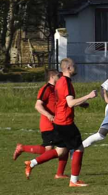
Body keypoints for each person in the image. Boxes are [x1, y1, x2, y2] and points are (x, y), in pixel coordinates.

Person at [24, 58, 97, 186]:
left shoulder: (60, 81)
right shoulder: (66, 82)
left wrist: (81, 103)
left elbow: (63, 101)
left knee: (61, 151)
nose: (76, 67)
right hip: (65, 122)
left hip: (59, 121)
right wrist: (88, 96)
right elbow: (70, 103)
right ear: (68, 68)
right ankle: (74, 181)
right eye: (74, 65)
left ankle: (32, 163)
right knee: (79, 148)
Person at [13, 69, 69, 179]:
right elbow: (38, 105)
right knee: (61, 148)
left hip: (57, 122)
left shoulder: (57, 88)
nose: (60, 77)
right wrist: (48, 115)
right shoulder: (46, 88)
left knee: (55, 148)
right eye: (58, 75)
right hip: (49, 124)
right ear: (52, 77)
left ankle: (59, 173)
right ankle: (58, 173)